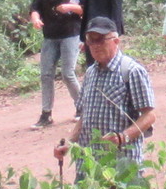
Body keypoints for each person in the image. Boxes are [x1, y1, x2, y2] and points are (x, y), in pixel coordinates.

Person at [65, 15, 156, 178]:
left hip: (121, 166)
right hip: (89, 167)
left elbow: (149, 115)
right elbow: (85, 116)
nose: (95, 45)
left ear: (116, 41)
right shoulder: (90, 73)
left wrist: (122, 137)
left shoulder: (131, 71)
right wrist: (69, 143)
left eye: (100, 39)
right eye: (90, 40)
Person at [28, 0, 86, 129]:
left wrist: (70, 7)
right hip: (50, 36)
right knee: (46, 74)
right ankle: (46, 114)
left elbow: (86, 8)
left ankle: (83, 107)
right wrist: (35, 19)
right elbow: (35, 8)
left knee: (68, 73)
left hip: (71, 33)